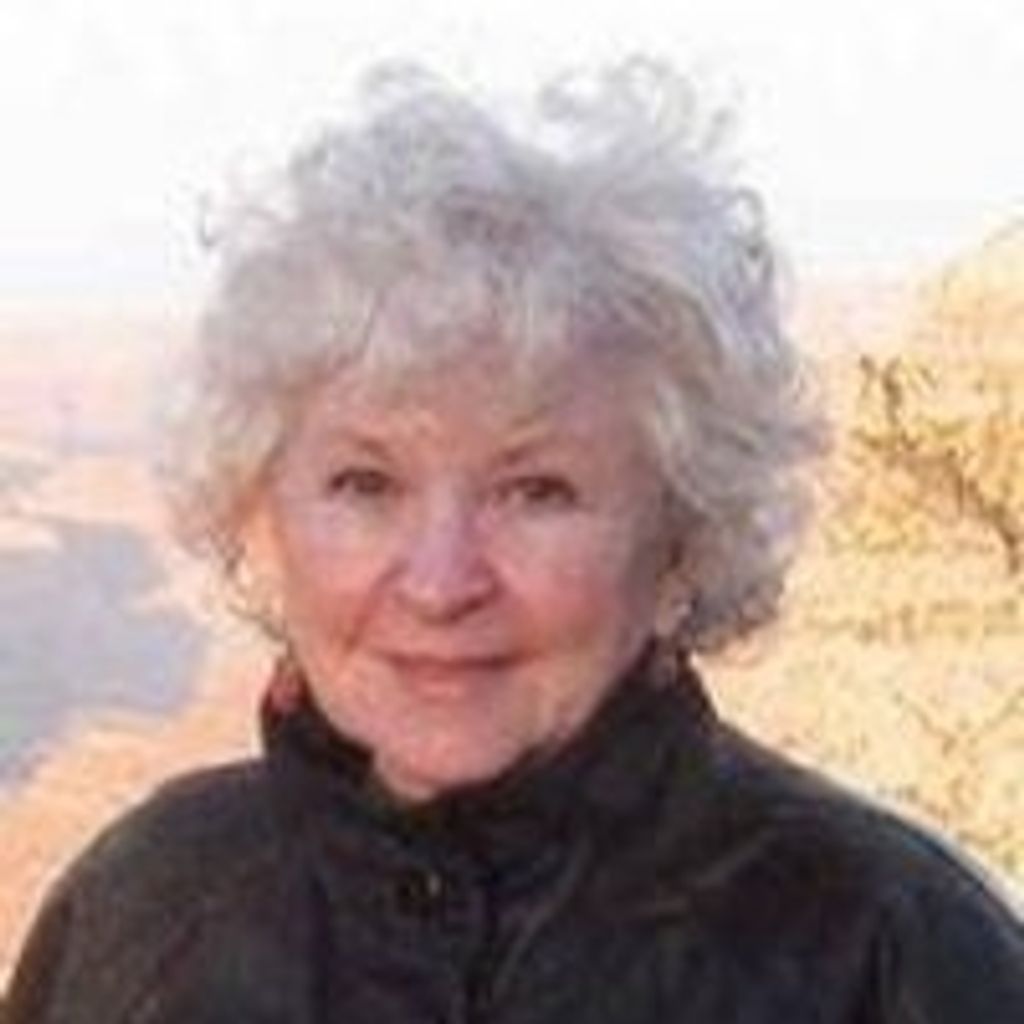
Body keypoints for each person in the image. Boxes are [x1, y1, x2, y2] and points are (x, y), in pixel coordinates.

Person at [5, 57, 1022, 1022]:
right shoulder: (136, 913)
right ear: (264, 515)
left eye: (537, 491)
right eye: (366, 484)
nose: (441, 582)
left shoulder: (898, 956)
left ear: (683, 537)